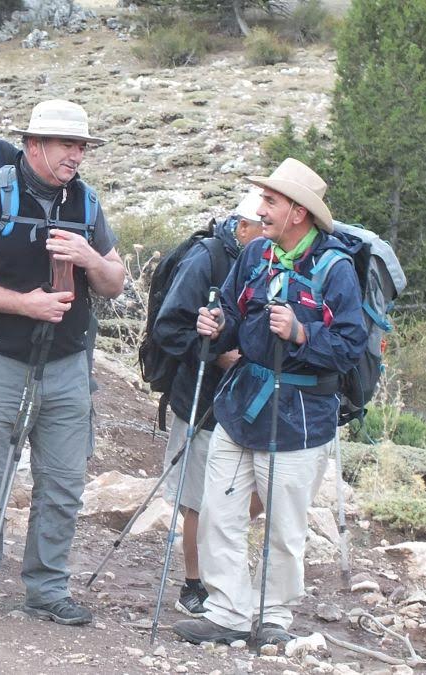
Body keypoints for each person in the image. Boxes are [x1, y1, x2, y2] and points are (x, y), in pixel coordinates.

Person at [0, 100, 125, 626]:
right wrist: (25, 304)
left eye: (82, 146)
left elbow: (115, 282)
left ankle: (47, 588)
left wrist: (90, 259)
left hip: (68, 365)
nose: (76, 155)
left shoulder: (87, 203)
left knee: (63, 486)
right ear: (34, 145)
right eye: (67, 145)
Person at [174, 158, 366, 647]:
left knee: (283, 526)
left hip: (300, 416)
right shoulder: (257, 253)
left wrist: (301, 333)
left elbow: (350, 346)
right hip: (240, 406)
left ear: (298, 212)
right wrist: (217, 325)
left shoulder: (335, 269)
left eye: (270, 201)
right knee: (219, 512)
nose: (260, 210)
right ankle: (228, 612)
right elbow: (234, 311)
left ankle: (274, 616)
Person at [150, 188, 264, 616]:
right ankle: (194, 585)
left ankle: (221, 571)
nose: (271, 237)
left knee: (254, 494)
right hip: (201, 397)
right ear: (243, 226)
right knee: (197, 497)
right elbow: (169, 329)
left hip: (251, 400)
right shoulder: (207, 260)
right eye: (263, 228)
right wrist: (217, 354)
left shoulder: (271, 262)